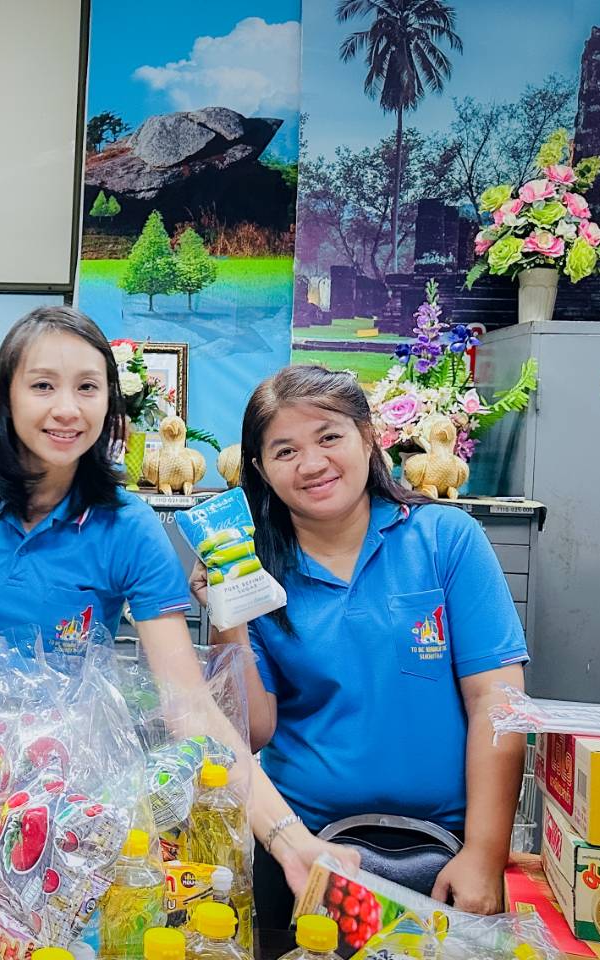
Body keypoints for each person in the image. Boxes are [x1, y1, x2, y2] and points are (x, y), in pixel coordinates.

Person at [0, 307, 354, 917]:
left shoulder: (127, 525)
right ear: (5, 395)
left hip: (69, 778)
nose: (68, 408)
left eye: (88, 387)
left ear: (110, 404)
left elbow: (189, 704)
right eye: (43, 385)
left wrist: (289, 840)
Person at [206, 364, 528, 947]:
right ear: (259, 469)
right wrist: (228, 617)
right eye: (284, 450)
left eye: (329, 436)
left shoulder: (444, 539)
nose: (311, 463)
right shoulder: (256, 573)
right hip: (306, 856)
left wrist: (485, 852)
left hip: (445, 849)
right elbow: (250, 730)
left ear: (368, 435)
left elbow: (497, 704)